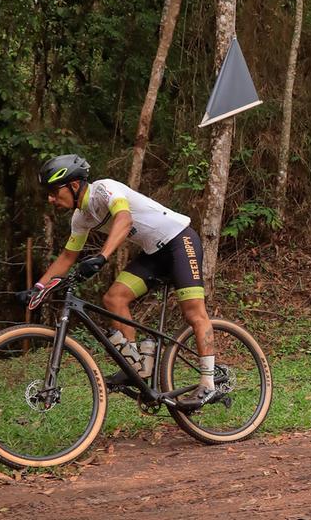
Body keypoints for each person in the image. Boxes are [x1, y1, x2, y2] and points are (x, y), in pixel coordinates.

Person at [31, 154, 217, 408]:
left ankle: (208, 383)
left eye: (53, 191)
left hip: (179, 241)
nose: (51, 198)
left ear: (74, 185)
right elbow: (66, 257)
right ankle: (137, 367)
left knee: (194, 313)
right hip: (154, 253)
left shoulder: (105, 189)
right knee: (114, 298)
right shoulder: (81, 218)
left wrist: (102, 257)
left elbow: (124, 218)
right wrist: (38, 288)